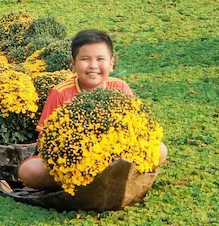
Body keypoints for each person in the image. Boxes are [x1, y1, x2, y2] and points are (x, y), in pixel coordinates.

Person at [18, 30, 168, 189]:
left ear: (111, 64)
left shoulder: (120, 87)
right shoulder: (60, 93)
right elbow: (44, 140)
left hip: (116, 156)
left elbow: (139, 128)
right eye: (85, 59)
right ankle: (84, 183)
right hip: (72, 162)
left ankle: (96, 183)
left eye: (100, 59)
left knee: (160, 150)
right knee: (29, 170)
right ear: (73, 65)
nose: (93, 66)